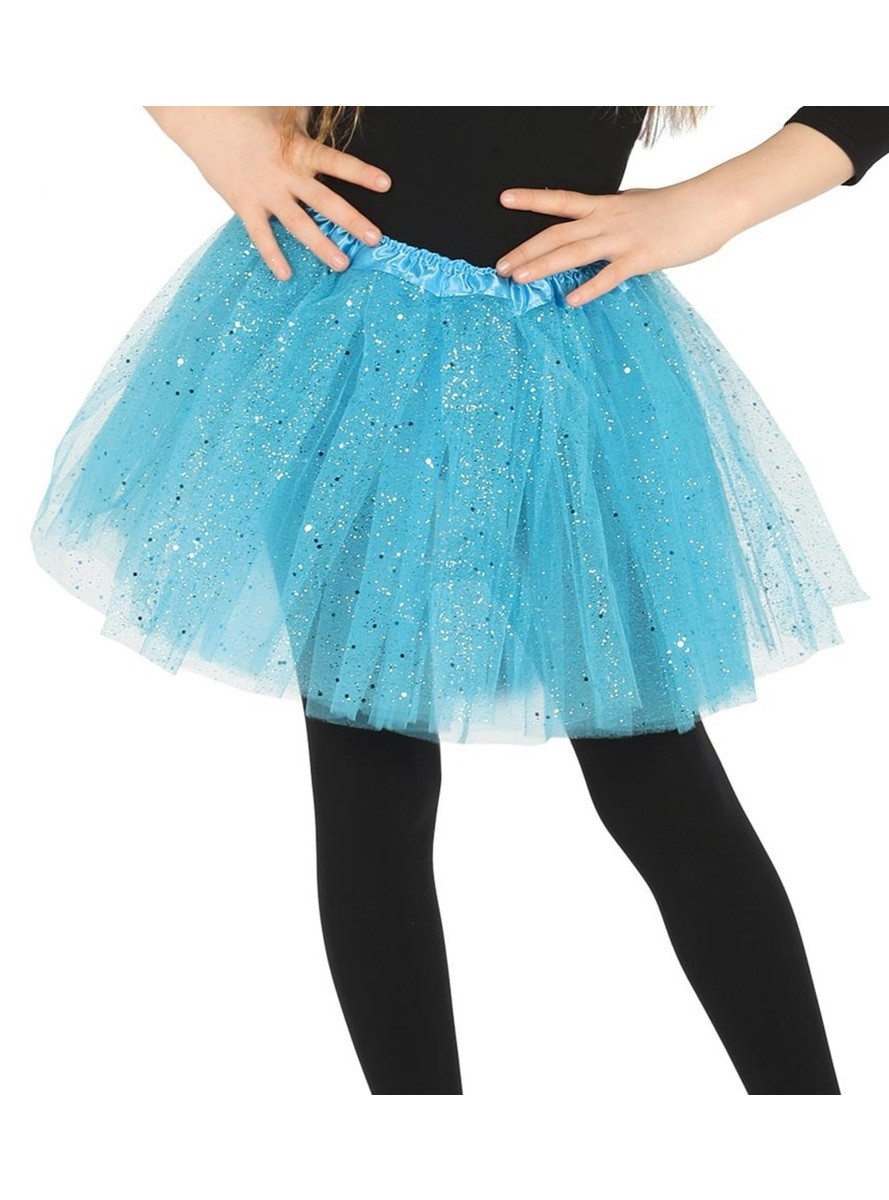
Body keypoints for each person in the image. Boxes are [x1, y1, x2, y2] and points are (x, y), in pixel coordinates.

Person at [30, 106, 889, 1095]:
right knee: (371, 784)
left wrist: (713, 205)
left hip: (565, 348)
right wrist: (213, 126)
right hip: (347, 332)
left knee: (658, 775)